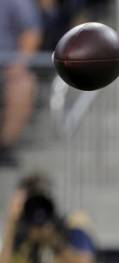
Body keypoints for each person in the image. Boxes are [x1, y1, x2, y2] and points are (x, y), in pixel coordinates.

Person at [0, 0, 41, 166]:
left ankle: (4, 146)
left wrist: (18, 65)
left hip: (7, 66)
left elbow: (32, 33)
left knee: (23, 83)